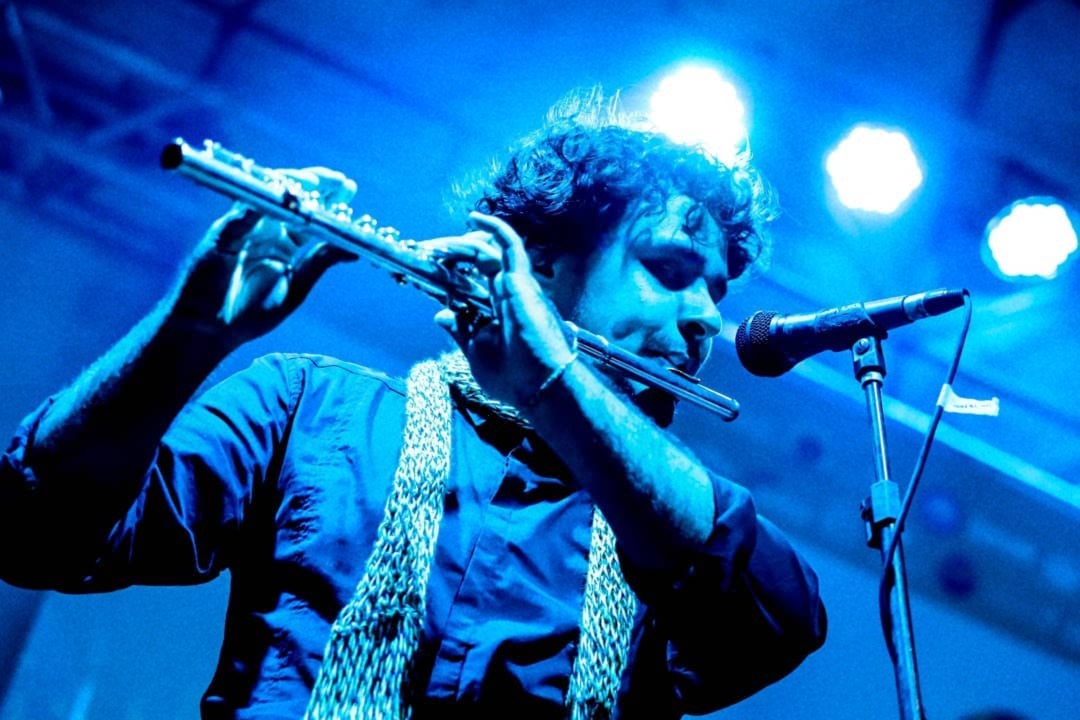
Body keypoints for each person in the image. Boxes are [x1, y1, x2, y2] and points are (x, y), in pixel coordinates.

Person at [0, 89, 826, 719]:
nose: (706, 317)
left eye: (715, 291)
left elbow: (780, 622)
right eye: (670, 271)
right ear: (539, 265)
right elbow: (34, 537)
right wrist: (186, 334)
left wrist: (552, 384)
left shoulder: (671, 525)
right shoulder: (309, 404)